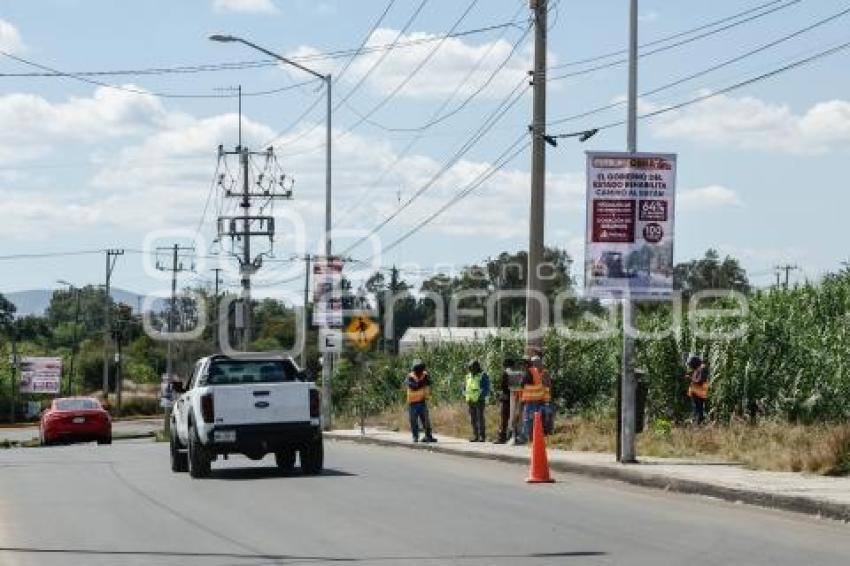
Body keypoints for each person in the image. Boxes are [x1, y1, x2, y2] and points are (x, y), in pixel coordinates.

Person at [495, 358, 526, 444]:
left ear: (505, 365)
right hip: (516, 397)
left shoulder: (506, 373)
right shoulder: (519, 373)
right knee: (514, 418)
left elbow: (502, 386)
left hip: (506, 399)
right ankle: (512, 436)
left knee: (504, 418)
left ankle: (502, 437)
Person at [522, 354, 551, 441]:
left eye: (536, 363)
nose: (534, 365)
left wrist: (546, 401)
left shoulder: (542, 373)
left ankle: (532, 437)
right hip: (539, 399)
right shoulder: (535, 372)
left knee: (532, 419)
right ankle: (533, 437)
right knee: (534, 419)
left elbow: (547, 386)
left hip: (540, 400)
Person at [406, 360, 437, 443]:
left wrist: (422, 383)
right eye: (417, 371)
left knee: (426, 420)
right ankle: (415, 437)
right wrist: (422, 383)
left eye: (420, 370)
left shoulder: (425, 375)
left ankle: (428, 436)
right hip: (412, 403)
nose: (419, 373)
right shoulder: (410, 376)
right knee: (414, 421)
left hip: (422, 401)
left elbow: (429, 382)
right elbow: (414, 386)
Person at [463, 360, 490, 442]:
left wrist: (481, 395)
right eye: (469, 368)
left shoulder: (483, 375)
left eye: (471, 367)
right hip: (470, 400)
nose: (470, 369)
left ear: (476, 367)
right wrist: (464, 393)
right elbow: (465, 386)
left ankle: (482, 436)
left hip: (479, 400)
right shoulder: (468, 376)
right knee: (473, 419)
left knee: (480, 418)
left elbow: (486, 388)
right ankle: (475, 435)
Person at [685, 355, 710, 425]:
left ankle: (698, 424)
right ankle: (698, 423)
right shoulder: (699, 368)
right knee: (698, 410)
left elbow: (700, 381)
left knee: (698, 410)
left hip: (698, 393)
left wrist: (690, 378)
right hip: (697, 393)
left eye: (691, 365)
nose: (691, 367)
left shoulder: (702, 368)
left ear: (694, 363)